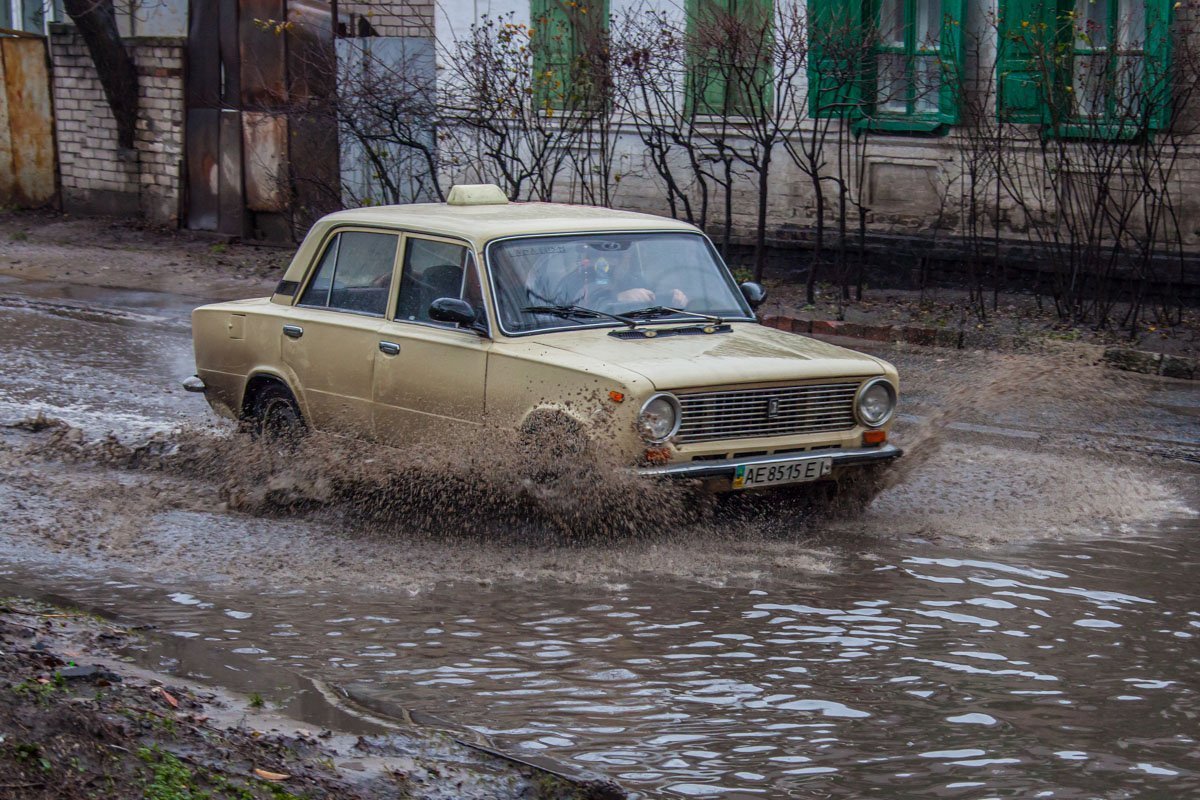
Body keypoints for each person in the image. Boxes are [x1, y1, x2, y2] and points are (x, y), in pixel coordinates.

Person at [524, 248, 688, 311]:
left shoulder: (633, 280)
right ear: (587, 259)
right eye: (597, 257)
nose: (606, 263)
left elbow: (650, 301)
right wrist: (618, 298)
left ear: (626, 258)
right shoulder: (574, 281)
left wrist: (672, 297)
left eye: (615, 257)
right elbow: (580, 309)